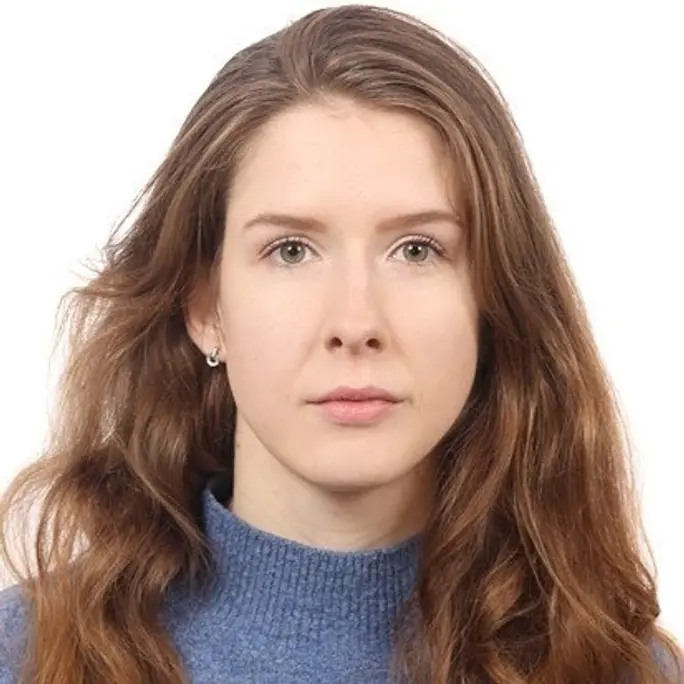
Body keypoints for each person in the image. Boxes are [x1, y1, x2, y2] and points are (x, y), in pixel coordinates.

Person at [0, 4, 681, 683]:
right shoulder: (26, 654)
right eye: (291, 250)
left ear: (491, 298)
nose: (355, 323)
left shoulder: (613, 668)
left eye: (417, 249)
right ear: (205, 307)